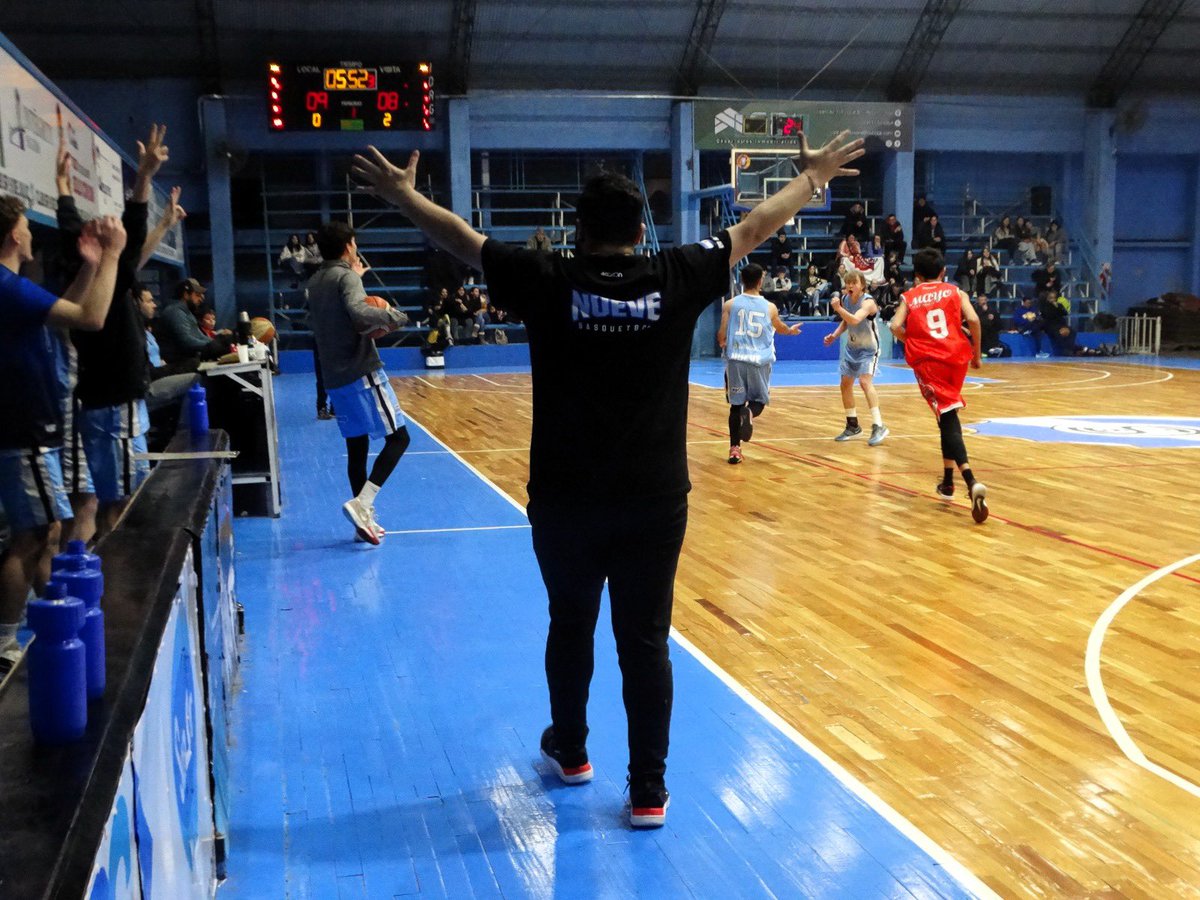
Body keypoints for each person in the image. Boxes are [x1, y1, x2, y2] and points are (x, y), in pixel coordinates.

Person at [350, 129, 864, 827]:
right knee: (646, 641)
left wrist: (406, 198)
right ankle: (648, 789)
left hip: (564, 499)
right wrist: (810, 179)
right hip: (655, 500)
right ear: (639, 231)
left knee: (571, 624)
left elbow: (465, 241)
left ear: (578, 230)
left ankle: (571, 752)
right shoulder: (676, 273)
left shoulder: (546, 277)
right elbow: (751, 229)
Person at [0, 198, 126, 677]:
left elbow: (67, 312)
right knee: (31, 536)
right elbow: (90, 318)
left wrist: (90, 266)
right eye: (26, 227)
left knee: (48, 531)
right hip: (22, 428)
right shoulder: (7, 287)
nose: (31, 235)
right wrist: (112, 255)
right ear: (14, 236)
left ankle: (51, 618)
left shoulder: (13, 288)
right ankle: (5, 643)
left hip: (31, 426)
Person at [306, 221, 411, 544]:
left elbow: (334, 312)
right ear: (348, 246)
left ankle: (361, 524)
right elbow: (359, 312)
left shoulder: (317, 280)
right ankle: (362, 504)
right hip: (360, 371)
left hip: (334, 378)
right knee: (399, 439)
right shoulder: (346, 278)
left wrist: (356, 282)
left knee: (357, 448)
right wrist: (394, 316)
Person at [889, 248, 988, 524]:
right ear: (943, 272)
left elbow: (895, 326)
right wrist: (977, 354)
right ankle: (947, 482)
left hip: (930, 362)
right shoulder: (956, 291)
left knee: (947, 416)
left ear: (917, 275)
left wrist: (913, 339)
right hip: (957, 358)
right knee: (946, 414)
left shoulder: (910, 296)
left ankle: (971, 480)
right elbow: (974, 320)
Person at [717, 264, 801, 464]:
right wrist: (790, 331)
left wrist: (723, 342)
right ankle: (750, 413)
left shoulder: (730, 304)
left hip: (736, 361)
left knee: (735, 405)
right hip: (759, 361)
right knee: (759, 401)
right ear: (760, 281)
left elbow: (721, 335)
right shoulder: (770, 307)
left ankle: (735, 450)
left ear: (742, 280)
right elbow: (780, 327)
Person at [825, 270, 888, 446]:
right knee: (845, 384)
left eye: (854, 283)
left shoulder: (868, 302)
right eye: (848, 283)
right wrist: (834, 335)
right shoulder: (846, 299)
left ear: (862, 285)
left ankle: (879, 425)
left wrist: (838, 309)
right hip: (852, 348)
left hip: (869, 349)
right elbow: (846, 322)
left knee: (865, 382)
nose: (850, 286)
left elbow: (854, 320)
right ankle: (852, 425)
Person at [156, 277, 229, 363]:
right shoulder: (175, 312)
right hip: (178, 364)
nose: (201, 298)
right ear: (186, 295)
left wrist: (217, 343)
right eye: (197, 295)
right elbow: (186, 341)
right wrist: (213, 346)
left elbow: (199, 336)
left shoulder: (186, 312)